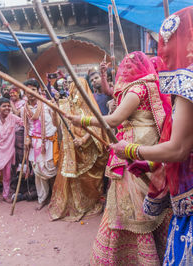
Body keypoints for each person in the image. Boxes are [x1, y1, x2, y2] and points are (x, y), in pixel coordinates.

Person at [67, 51, 172, 265]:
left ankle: (139, 258)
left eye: (125, 68)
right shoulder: (151, 85)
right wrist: (105, 76)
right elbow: (112, 93)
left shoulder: (137, 89)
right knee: (152, 203)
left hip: (133, 151)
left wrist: (82, 120)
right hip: (150, 149)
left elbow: (114, 119)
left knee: (133, 207)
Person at [110, 7, 193, 265]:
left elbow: (178, 149)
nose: (162, 55)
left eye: (166, 45)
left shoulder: (184, 83)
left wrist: (131, 151)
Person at [48, 77, 109, 222]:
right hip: (70, 148)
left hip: (87, 148)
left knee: (87, 179)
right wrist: (53, 110)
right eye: (71, 85)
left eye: (76, 85)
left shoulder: (89, 105)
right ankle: (75, 206)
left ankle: (89, 203)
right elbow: (57, 124)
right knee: (73, 180)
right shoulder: (64, 104)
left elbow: (95, 125)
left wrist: (83, 139)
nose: (72, 88)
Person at [22, 78, 59, 210]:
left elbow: (56, 124)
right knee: (38, 172)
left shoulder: (47, 104)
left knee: (52, 170)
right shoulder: (24, 109)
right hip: (35, 145)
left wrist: (55, 111)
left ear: (38, 91)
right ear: (24, 93)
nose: (30, 93)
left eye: (33, 90)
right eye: (27, 90)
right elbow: (26, 127)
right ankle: (42, 198)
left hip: (49, 142)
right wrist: (27, 138)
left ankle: (55, 197)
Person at [0, 97, 23, 206]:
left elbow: (24, 122)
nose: (7, 108)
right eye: (4, 106)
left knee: (7, 175)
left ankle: (6, 195)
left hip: (9, 151)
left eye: (8, 106)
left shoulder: (13, 117)